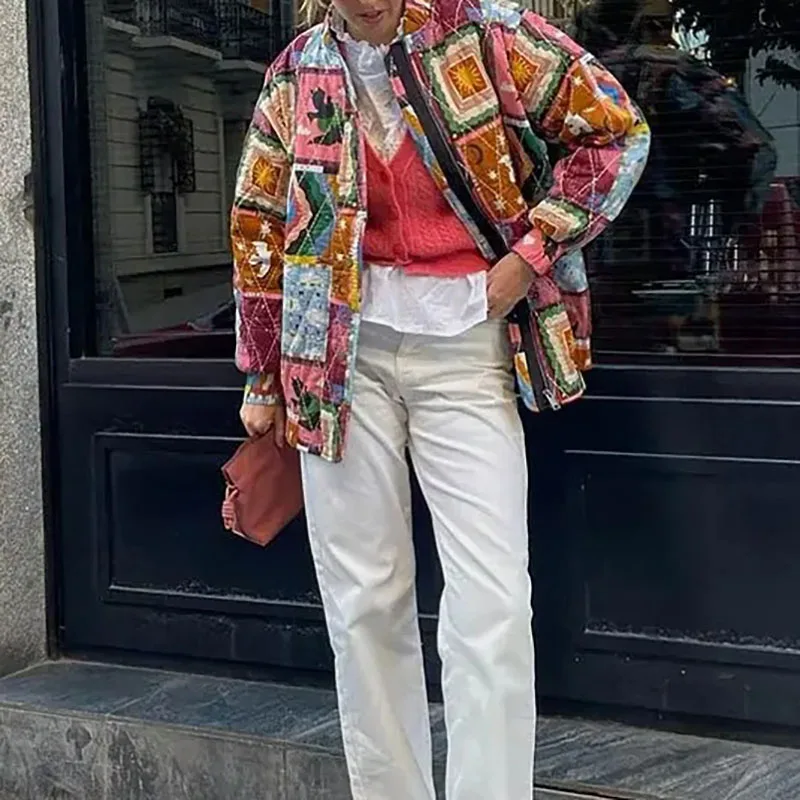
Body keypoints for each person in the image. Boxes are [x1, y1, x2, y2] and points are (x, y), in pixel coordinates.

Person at [230, 0, 649, 795]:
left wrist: (532, 253)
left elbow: (617, 130)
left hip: (465, 344)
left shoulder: (489, 34)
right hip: (334, 356)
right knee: (363, 603)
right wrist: (261, 373)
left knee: (492, 600)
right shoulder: (294, 73)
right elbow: (258, 219)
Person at [573, 0, 777, 351]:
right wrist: (730, 218)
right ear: (642, 26)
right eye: (661, 25)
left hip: (589, 284)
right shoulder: (672, 69)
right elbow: (754, 149)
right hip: (667, 267)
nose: (667, 36)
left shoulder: (573, 77)